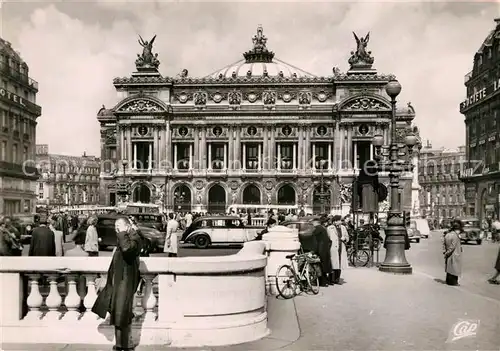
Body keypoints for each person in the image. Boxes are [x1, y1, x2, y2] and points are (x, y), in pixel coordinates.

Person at [92, 217, 143, 351]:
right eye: (115, 227)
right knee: (118, 314)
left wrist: (122, 233)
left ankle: (126, 346)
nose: (116, 229)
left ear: (127, 226)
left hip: (125, 282)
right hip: (119, 281)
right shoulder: (126, 237)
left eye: (119, 226)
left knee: (122, 314)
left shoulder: (133, 238)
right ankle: (120, 345)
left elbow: (127, 249)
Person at [327, 215, 349, 285]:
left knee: (339, 263)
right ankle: (331, 279)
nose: (341, 221)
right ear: (335, 221)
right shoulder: (330, 228)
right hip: (333, 247)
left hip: (341, 247)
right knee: (333, 263)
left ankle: (337, 279)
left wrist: (345, 238)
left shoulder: (343, 228)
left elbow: (347, 237)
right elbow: (328, 238)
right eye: (339, 220)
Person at [311, 216, 332, 287]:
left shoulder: (318, 228)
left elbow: (313, 237)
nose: (312, 224)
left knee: (320, 266)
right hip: (325, 249)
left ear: (315, 223)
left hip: (321, 250)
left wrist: (314, 251)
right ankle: (326, 281)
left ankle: (322, 282)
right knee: (324, 266)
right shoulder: (323, 228)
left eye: (312, 223)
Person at [443, 219, 463, 286]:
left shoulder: (447, 235)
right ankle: (454, 282)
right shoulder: (455, 236)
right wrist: (447, 253)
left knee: (449, 268)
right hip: (454, 254)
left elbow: (444, 244)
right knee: (454, 269)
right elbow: (453, 246)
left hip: (448, 254)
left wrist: (445, 252)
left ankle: (448, 281)